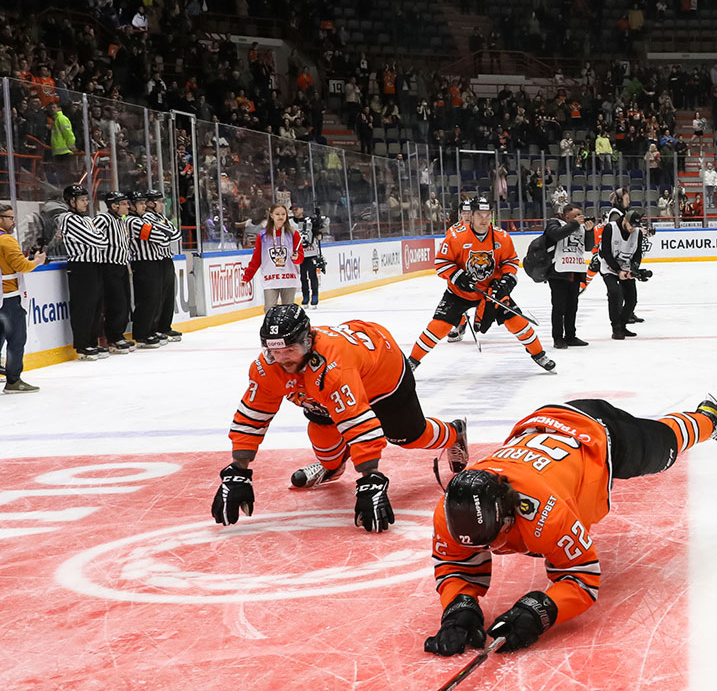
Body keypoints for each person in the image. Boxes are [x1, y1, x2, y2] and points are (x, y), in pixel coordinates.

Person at [426, 396, 717, 655]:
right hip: (545, 425)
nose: (489, 549)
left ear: (512, 512)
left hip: (600, 435)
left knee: (665, 445)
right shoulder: (448, 512)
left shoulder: (545, 514)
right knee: (661, 444)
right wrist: (458, 607)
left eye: (494, 539)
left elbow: (582, 579)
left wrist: (542, 611)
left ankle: (708, 418)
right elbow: (456, 563)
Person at [212, 305, 466, 532]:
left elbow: (358, 424)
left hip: (383, 375)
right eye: (275, 351)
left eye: (290, 350)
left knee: (408, 436)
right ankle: (333, 466)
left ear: (308, 341)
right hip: (326, 390)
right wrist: (238, 470)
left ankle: (454, 433)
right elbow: (252, 416)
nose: (284, 359)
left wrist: (370, 479)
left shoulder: (333, 366)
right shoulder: (267, 368)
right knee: (327, 452)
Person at [410, 194, 555, 372]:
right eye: (479, 215)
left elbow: (510, 262)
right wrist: (458, 277)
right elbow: (441, 263)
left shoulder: (501, 236)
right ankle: (413, 361)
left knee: (516, 321)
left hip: (491, 292)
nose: (484, 219)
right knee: (438, 326)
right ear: (471, 216)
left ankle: (539, 354)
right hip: (459, 293)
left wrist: (507, 281)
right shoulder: (456, 236)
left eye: (488, 215)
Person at [53, 183, 130, 360]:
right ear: (71, 201)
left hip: (95, 265)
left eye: (86, 199)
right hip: (81, 267)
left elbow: (100, 239)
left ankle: (92, 342)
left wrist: (97, 238)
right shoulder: (69, 219)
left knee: (96, 306)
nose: (86, 203)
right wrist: (97, 238)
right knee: (84, 306)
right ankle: (83, 345)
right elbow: (97, 240)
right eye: (82, 200)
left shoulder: (87, 219)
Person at [534, 201, 595, 348]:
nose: (580, 217)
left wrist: (589, 231)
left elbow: (588, 247)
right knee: (559, 307)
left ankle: (570, 336)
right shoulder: (554, 223)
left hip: (575, 271)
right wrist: (575, 224)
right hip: (558, 272)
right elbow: (556, 235)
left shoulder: (580, 227)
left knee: (572, 307)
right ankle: (558, 338)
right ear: (567, 215)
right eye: (576, 215)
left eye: (581, 215)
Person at [1, 204, 47, 392]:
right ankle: (13, 380)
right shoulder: (7, 241)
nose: (14, 221)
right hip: (9, 297)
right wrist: (37, 261)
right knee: (16, 338)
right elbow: (21, 266)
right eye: (10, 218)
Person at [129, 188, 181, 345]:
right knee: (149, 298)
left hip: (161, 259)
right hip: (145, 262)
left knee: (163, 296)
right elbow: (162, 238)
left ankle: (160, 328)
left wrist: (165, 235)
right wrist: (165, 235)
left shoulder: (159, 217)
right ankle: (146, 332)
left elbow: (175, 234)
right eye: (160, 201)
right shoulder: (143, 219)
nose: (163, 204)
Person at [598, 196, 646, 339]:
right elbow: (606, 252)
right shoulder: (610, 228)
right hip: (609, 266)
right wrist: (618, 270)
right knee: (614, 293)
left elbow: (637, 253)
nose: (632, 229)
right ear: (624, 219)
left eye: (635, 226)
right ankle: (616, 328)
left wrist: (634, 269)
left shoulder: (637, 232)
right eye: (631, 225)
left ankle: (623, 324)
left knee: (632, 299)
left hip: (626, 267)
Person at [242, 200, 303, 310]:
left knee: (288, 311)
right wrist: (247, 277)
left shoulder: (293, 234)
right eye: (277, 214)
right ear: (271, 215)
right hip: (270, 279)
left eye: (283, 214)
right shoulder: (263, 236)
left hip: (289, 279)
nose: (281, 217)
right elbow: (256, 259)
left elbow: (300, 258)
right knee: (269, 309)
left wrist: (296, 258)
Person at [297, 204, 325, 308]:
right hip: (300, 254)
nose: (295, 211)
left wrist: (318, 232)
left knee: (312, 275)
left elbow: (318, 235)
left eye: (296, 209)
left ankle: (315, 296)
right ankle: (305, 297)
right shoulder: (292, 223)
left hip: (311, 253)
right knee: (303, 277)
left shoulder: (311, 223)